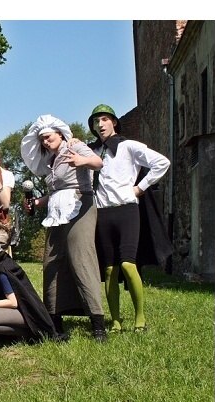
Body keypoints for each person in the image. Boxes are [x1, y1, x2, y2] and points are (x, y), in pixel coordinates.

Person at [21, 114, 107, 342]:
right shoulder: (51, 160)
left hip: (80, 204)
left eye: (48, 137)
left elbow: (98, 163)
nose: (45, 142)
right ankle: (54, 321)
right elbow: (55, 193)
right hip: (56, 212)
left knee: (81, 258)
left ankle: (98, 324)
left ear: (59, 134)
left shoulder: (74, 146)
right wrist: (36, 203)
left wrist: (81, 160)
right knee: (52, 262)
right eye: (42, 139)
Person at [87, 104, 171, 333]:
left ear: (114, 122)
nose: (100, 124)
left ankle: (140, 318)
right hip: (102, 213)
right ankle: (115, 321)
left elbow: (162, 163)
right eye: (96, 121)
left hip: (127, 211)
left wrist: (140, 187)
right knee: (109, 270)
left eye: (104, 119)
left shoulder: (129, 146)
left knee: (127, 263)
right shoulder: (91, 152)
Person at [0, 224, 61, 343]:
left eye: (2, 244)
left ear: (8, 245)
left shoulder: (4, 269)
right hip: (7, 309)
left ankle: (30, 334)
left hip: (24, 312)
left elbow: (13, 303)